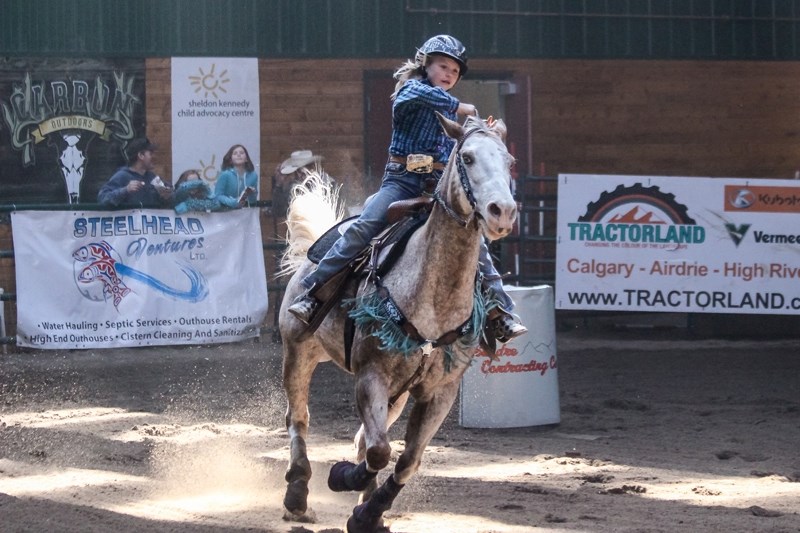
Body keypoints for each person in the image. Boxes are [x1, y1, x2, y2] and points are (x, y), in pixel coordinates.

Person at [288, 34, 527, 343]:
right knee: (363, 228)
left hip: (437, 189)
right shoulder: (409, 92)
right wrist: (463, 107)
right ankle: (312, 291)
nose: (448, 75)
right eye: (443, 67)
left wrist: (485, 131)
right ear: (425, 65)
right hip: (401, 183)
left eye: (454, 72)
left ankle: (500, 314)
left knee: (476, 246)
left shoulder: (449, 110)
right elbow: (423, 96)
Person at [97, 138, 173, 207]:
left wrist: (166, 195)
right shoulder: (122, 176)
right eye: (151, 153)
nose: (154, 157)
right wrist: (126, 190)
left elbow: (167, 200)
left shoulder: (152, 177)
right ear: (141, 155)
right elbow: (102, 199)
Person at [271, 150, 331, 218]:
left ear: (313, 167)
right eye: (298, 171)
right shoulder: (294, 187)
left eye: (304, 170)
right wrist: (279, 185)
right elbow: (278, 212)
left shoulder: (328, 183)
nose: (300, 175)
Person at [172, 168, 239, 214]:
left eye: (196, 182)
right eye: (189, 182)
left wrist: (205, 188)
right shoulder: (179, 195)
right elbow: (181, 191)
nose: (193, 186)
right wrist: (193, 184)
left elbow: (216, 204)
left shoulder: (202, 195)